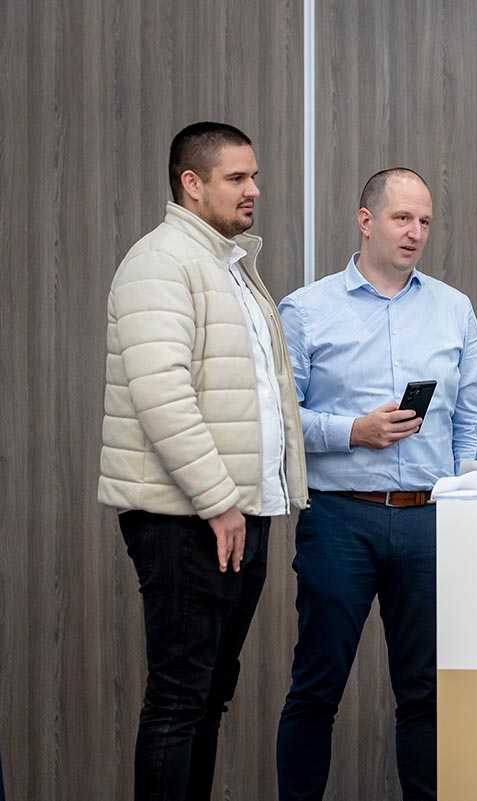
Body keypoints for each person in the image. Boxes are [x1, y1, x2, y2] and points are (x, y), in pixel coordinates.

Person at [98, 121, 309, 801]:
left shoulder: (229, 267)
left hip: (237, 514)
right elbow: (162, 395)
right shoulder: (161, 262)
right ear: (191, 183)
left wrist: (252, 501)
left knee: (209, 694)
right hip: (187, 519)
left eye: (254, 177)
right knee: (179, 698)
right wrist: (219, 501)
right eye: (236, 178)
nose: (254, 190)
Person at [275, 167, 477, 801]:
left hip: (429, 521)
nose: (415, 232)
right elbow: (279, 421)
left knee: (427, 694)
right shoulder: (306, 310)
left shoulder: (454, 308)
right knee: (316, 690)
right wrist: (354, 432)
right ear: (366, 221)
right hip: (340, 520)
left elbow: (472, 419)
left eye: (425, 221)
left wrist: (470, 500)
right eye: (402, 218)